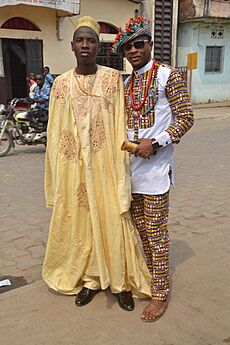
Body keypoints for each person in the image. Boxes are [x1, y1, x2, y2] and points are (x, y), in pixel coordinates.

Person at [42, 16, 151, 312]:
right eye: (81, 40)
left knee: (113, 218)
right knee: (81, 223)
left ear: (97, 46)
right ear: (72, 46)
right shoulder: (61, 84)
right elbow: (54, 132)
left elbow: (122, 122)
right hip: (74, 169)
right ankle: (90, 279)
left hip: (106, 165)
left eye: (91, 40)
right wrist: (56, 173)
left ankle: (120, 282)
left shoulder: (113, 79)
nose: (86, 45)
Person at [112, 16, 194, 322]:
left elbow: (186, 118)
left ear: (149, 44)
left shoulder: (167, 77)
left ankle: (160, 294)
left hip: (157, 172)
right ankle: (151, 279)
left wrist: (156, 142)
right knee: (142, 232)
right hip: (130, 172)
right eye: (127, 47)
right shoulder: (127, 83)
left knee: (157, 234)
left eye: (139, 44)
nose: (133, 50)